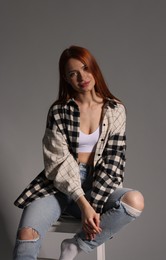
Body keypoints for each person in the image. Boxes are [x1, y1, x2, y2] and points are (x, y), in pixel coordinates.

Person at [13, 45, 144, 260]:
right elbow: (57, 161)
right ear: (66, 79)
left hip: (99, 184)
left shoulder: (115, 109)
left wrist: (93, 203)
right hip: (59, 185)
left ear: (94, 69)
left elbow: (114, 160)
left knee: (135, 201)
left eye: (85, 68)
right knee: (27, 233)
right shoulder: (59, 111)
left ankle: (75, 245)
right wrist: (83, 203)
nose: (82, 77)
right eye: (73, 73)